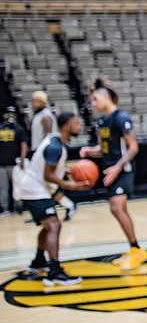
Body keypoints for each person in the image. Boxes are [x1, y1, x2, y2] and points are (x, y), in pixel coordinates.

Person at [13, 112, 92, 285]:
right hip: (34, 189)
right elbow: (48, 175)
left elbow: (52, 167)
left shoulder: (55, 142)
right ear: (67, 126)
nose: (79, 126)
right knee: (54, 225)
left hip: (33, 188)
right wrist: (72, 185)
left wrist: (71, 172)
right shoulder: (56, 146)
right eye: (76, 123)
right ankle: (54, 271)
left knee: (49, 225)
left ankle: (39, 261)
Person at [80, 80, 146, 270]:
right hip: (109, 169)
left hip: (122, 169)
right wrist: (90, 151)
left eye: (95, 99)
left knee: (117, 207)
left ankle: (136, 249)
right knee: (116, 209)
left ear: (106, 97)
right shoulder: (102, 121)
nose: (93, 103)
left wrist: (118, 167)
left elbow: (133, 147)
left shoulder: (120, 117)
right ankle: (134, 248)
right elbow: (103, 148)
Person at [30, 90, 77, 220]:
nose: (34, 103)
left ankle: (67, 206)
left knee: (49, 186)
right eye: (33, 101)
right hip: (43, 152)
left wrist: (46, 152)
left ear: (43, 102)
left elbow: (48, 134)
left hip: (46, 152)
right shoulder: (39, 115)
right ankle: (63, 207)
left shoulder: (46, 116)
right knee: (49, 187)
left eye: (37, 101)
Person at [0, 106, 28, 215]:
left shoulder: (19, 129)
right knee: (3, 188)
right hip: (1, 164)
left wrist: (22, 159)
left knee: (18, 186)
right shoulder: (0, 127)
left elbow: (23, 144)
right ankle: (5, 208)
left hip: (15, 164)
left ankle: (19, 205)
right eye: (8, 113)